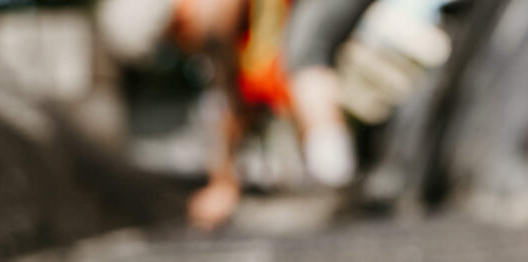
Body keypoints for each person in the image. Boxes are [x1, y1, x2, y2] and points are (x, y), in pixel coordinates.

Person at [98, 0, 372, 230]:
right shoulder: (235, 37)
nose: (187, 42)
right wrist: (224, 184)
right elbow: (231, 101)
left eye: (180, 28)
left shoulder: (219, 18)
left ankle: (336, 181)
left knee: (305, 51)